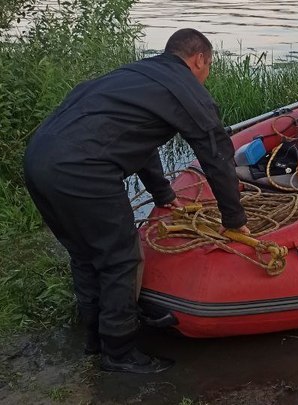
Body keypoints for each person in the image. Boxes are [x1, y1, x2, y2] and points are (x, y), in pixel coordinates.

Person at [23, 28, 250, 374]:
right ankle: (120, 352)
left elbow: (140, 143)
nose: (206, 76)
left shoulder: (136, 75)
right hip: (83, 169)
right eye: (208, 67)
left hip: (38, 160)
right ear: (199, 59)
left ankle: (94, 338)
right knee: (122, 259)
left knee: (86, 254)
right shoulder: (185, 87)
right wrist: (234, 220)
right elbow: (216, 154)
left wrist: (164, 195)